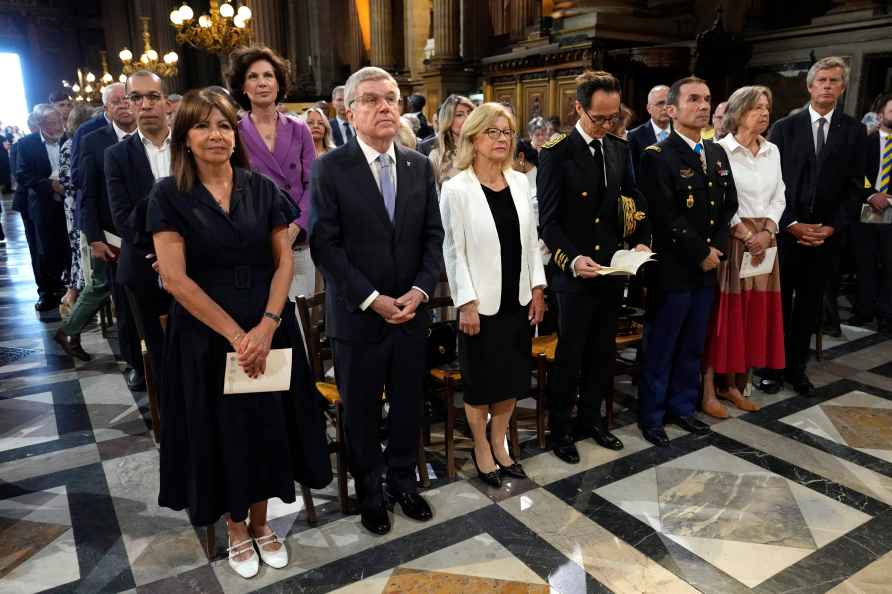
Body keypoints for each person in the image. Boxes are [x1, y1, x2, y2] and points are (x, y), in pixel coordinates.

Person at [148, 88, 331, 579]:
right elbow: (175, 279)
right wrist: (236, 334)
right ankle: (234, 526)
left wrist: (267, 326)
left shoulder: (261, 188)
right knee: (223, 431)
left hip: (267, 324)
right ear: (185, 136)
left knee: (268, 424)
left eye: (225, 125)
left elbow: (284, 258)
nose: (216, 135)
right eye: (204, 126)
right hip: (206, 334)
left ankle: (262, 521)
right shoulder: (168, 195)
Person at [309, 66, 443, 536]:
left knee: (408, 404)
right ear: (349, 111)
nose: (384, 106)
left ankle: (404, 481)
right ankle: (370, 491)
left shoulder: (418, 165)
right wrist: (372, 298)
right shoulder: (330, 167)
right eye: (371, 100)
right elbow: (325, 246)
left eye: (391, 98)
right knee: (362, 411)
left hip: (410, 313)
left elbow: (433, 237)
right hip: (358, 317)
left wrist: (420, 291)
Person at [538, 70, 651, 463]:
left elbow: (633, 196)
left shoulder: (619, 147)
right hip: (574, 271)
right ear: (578, 108)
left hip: (610, 268)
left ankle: (591, 421)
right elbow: (548, 223)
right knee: (571, 353)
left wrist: (640, 238)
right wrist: (573, 261)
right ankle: (561, 429)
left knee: (602, 351)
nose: (606, 125)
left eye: (613, 117)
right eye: (598, 118)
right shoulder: (556, 152)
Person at [440, 102, 546, 487]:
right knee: (482, 382)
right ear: (474, 138)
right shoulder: (457, 189)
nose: (501, 139)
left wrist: (537, 288)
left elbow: (531, 242)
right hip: (480, 305)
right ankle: (482, 448)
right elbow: (453, 252)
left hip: (517, 298)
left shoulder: (520, 182)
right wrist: (465, 302)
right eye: (493, 132)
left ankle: (500, 443)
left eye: (506, 132)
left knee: (513, 378)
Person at [757, 57, 869, 396]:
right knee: (779, 304)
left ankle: (795, 369)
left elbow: (855, 188)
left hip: (825, 237)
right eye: (821, 79)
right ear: (809, 85)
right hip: (787, 233)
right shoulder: (784, 128)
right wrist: (790, 223)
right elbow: (771, 183)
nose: (827, 85)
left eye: (834, 80)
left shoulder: (854, 130)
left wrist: (832, 227)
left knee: (809, 305)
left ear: (843, 87)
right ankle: (770, 368)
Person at [637, 76, 738, 447]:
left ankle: (683, 407)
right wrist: (700, 252)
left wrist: (718, 248)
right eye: (694, 99)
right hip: (674, 268)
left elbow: (728, 205)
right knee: (662, 344)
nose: (703, 106)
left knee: (693, 343)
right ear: (672, 109)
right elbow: (663, 215)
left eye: (707, 99)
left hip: (708, 268)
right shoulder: (658, 156)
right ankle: (652, 415)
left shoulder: (716, 153)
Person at [701, 86, 786, 418]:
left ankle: (735, 385)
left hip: (765, 240)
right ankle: (709, 389)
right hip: (734, 240)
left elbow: (780, 193)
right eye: (756, 108)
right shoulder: (720, 149)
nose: (764, 113)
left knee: (752, 315)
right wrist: (745, 232)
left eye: (767, 107)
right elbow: (718, 200)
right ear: (737, 113)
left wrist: (767, 231)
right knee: (722, 319)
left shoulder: (773, 150)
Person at [103, 70, 175, 395]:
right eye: (136, 98)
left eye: (153, 96)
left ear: (167, 103)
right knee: (159, 351)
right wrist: (165, 193)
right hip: (144, 264)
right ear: (129, 105)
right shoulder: (116, 155)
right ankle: (173, 418)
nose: (145, 104)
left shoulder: (189, 144)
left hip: (198, 261)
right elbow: (123, 219)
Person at [227, 45, 316, 301]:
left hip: (298, 239)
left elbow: (313, 185)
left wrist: (296, 226)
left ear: (278, 84)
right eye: (253, 77)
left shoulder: (299, 129)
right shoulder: (233, 131)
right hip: (257, 241)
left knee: (303, 318)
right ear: (243, 87)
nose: (262, 82)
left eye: (268, 75)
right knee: (270, 319)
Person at [14, 104, 69, 312]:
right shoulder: (26, 144)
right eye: (50, 123)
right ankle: (47, 292)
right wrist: (50, 185)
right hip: (41, 204)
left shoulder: (69, 138)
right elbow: (22, 174)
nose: (56, 127)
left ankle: (70, 288)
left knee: (68, 245)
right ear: (39, 124)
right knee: (43, 250)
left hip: (67, 203)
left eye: (58, 122)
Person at [850, 92, 892, 333]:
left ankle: (886, 315)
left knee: (889, 265)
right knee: (864, 263)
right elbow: (859, 175)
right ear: (881, 114)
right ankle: (862, 311)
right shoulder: (866, 141)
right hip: (865, 209)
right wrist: (871, 194)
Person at [57, 104, 94, 318]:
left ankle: (74, 297)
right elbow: (67, 179)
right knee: (80, 254)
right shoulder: (70, 145)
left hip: (81, 203)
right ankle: (71, 299)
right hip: (76, 206)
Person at [429, 95, 474, 187]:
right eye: (459, 115)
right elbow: (434, 195)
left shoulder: (483, 149)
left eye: (469, 113)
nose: (467, 118)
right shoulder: (437, 156)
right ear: (448, 121)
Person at [628, 84, 670, 177]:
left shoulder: (681, 132)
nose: (665, 108)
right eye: (660, 103)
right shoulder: (634, 136)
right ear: (648, 108)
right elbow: (632, 174)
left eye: (668, 103)